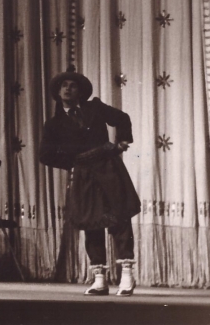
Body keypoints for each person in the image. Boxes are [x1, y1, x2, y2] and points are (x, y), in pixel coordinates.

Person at [41, 67, 140, 297]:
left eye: (72, 85)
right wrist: (73, 161)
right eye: (63, 85)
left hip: (108, 167)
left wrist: (122, 141)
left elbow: (122, 118)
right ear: (57, 91)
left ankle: (126, 274)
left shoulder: (94, 108)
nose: (68, 88)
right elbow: (44, 155)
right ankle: (100, 279)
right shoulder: (53, 124)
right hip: (84, 174)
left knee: (119, 217)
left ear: (80, 91)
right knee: (91, 221)